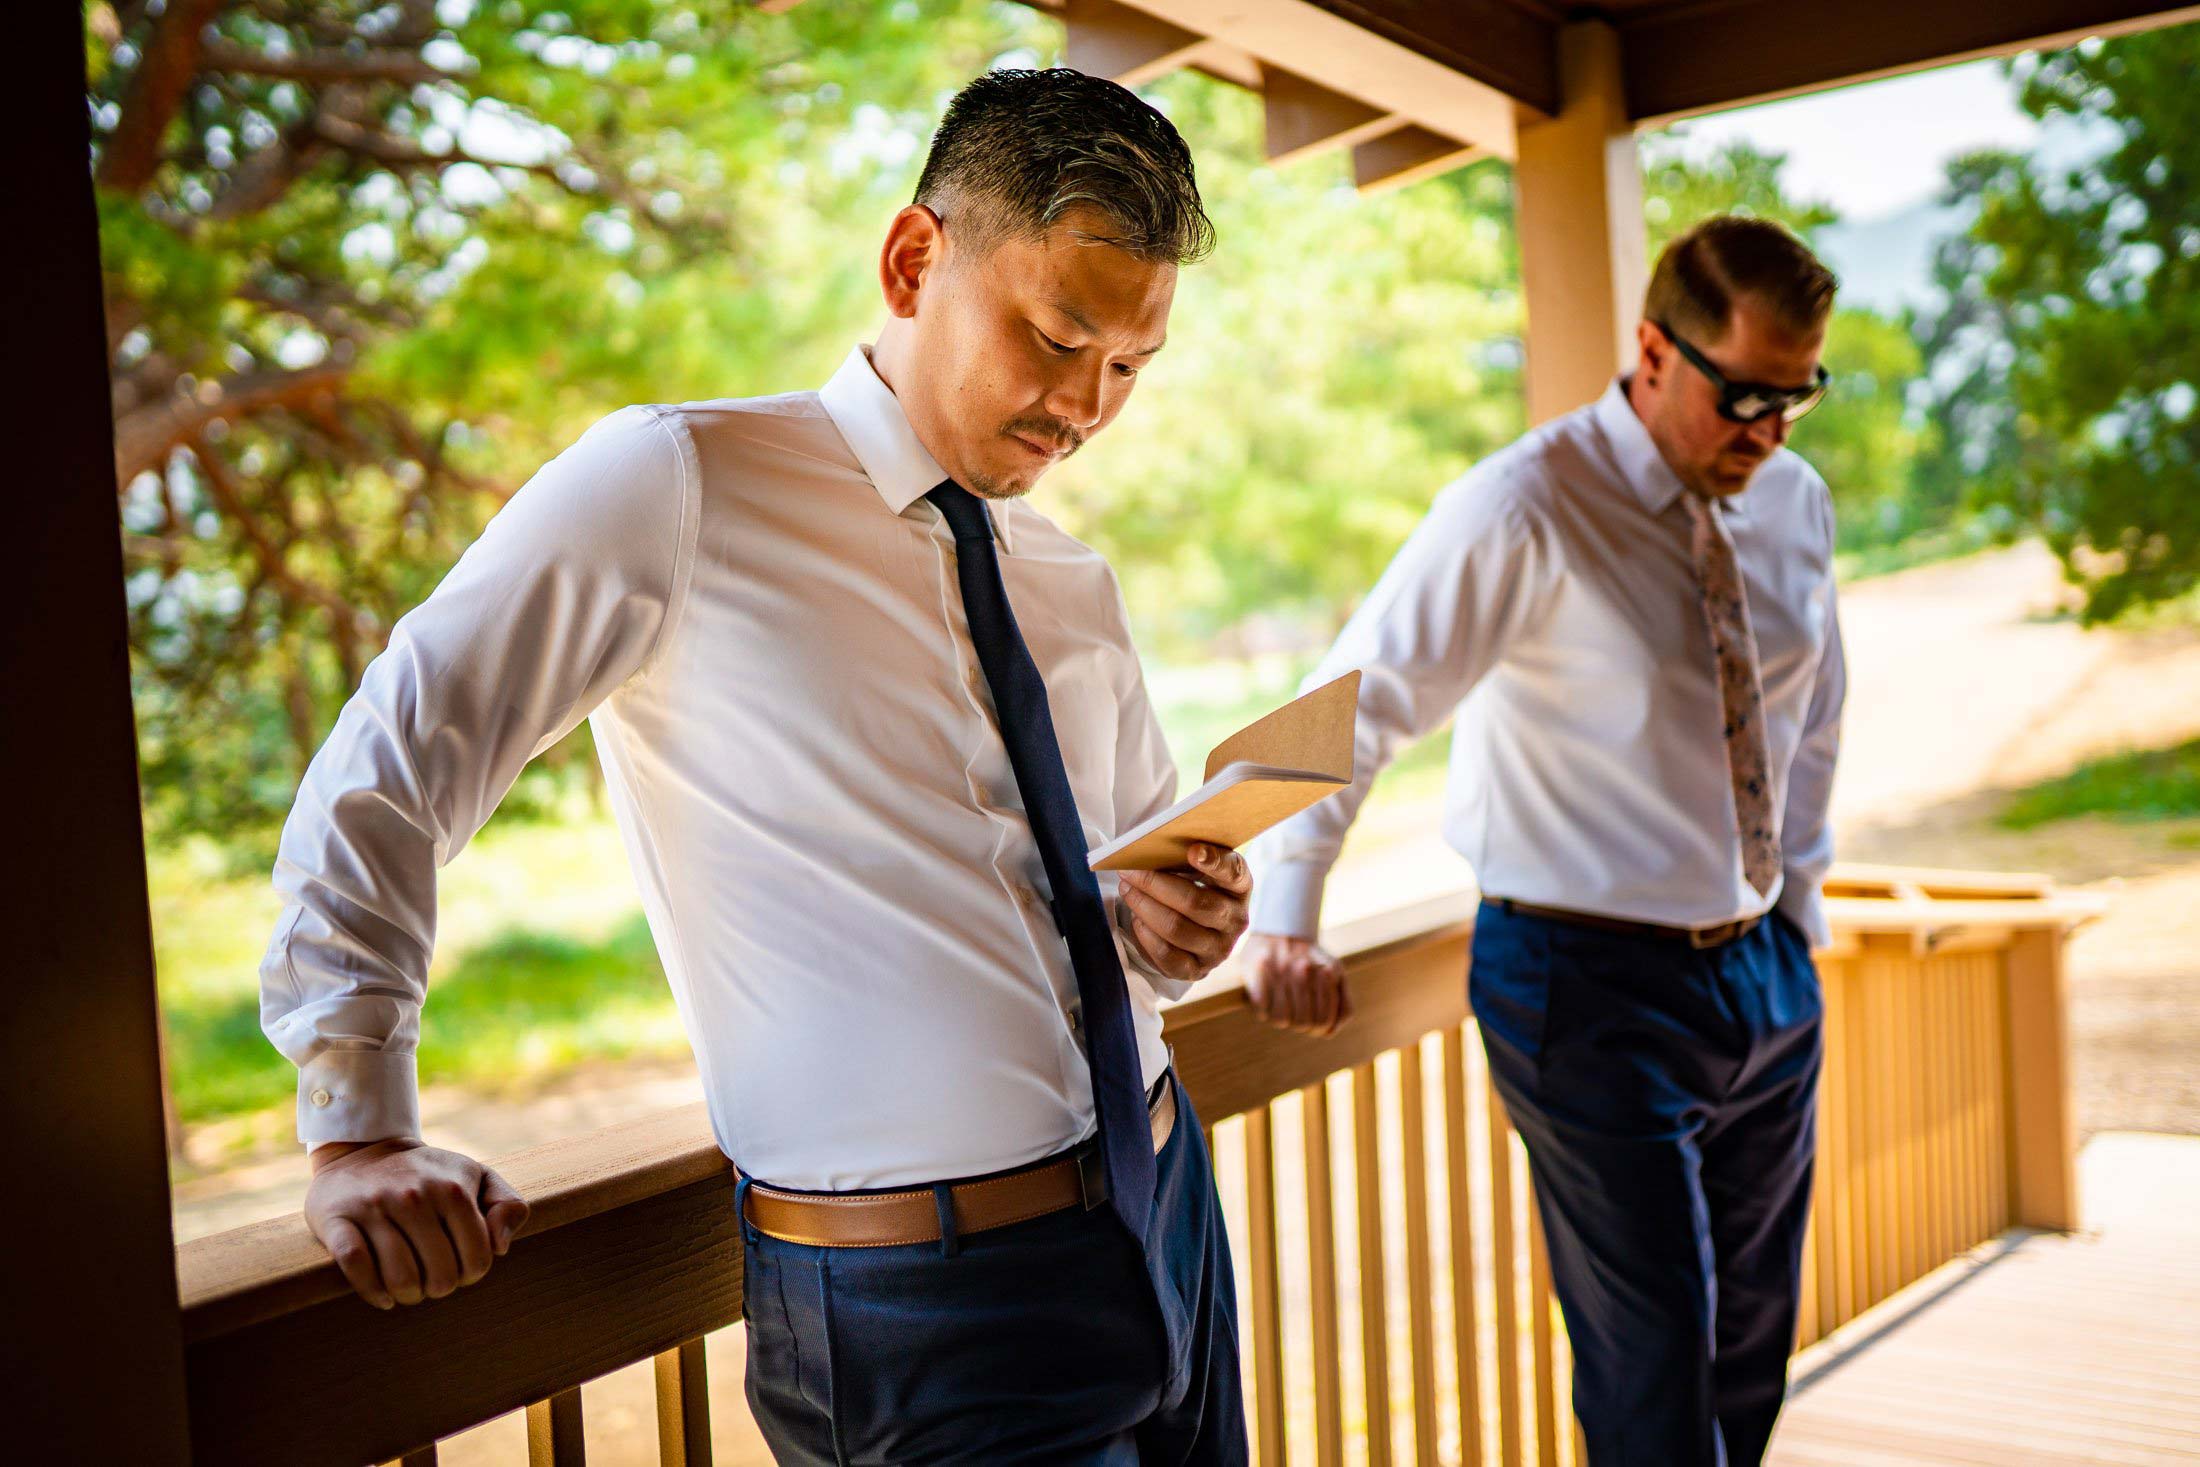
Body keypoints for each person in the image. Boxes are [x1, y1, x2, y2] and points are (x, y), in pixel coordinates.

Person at [261, 68, 1251, 1464]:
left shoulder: (1070, 579)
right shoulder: (676, 485)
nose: (1088, 402)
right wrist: (357, 1124)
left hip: (1170, 1218)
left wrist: (1172, 922)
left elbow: (1118, 912)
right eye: (1054, 334)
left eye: (1130, 365)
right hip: (923, 1310)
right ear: (915, 262)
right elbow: (392, 760)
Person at [1242, 215, 1847, 1466]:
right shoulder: (1526, 502)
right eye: (1741, 395)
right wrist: (1284, 906)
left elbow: (1813, 717)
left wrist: (1798, 915)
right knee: (1655, 1365)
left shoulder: (1794, 502)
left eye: (1795, 399)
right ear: (1652, 350)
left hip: (1766, 975)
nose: (1766, 431)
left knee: (1751, 1344)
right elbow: (1353, 694)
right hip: (1585, 988)